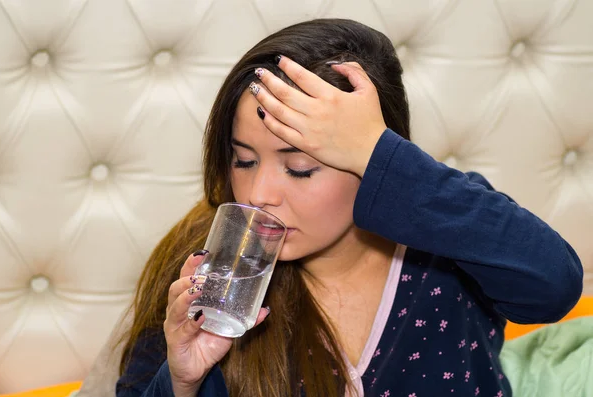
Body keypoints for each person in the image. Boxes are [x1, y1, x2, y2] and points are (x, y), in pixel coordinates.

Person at [115, 18, 583, 397]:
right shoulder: (209, 270)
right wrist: (181, 382)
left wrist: (384, 155)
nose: (258, 193)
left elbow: (554, 287)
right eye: (243, 160)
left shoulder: (451, 227)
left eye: (299, 167)